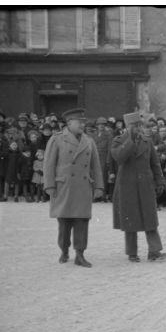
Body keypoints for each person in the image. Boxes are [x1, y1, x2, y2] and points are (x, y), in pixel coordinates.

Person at [43, 108, 104, 267]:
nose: (82, 125)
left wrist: (99, 186)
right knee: (64, 223)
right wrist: (49, 185)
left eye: (84, 122)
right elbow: (49, 164)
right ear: (69, 123)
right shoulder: (57, 139)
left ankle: (80, 254)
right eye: (79, 122)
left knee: (82, 222)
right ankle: (64, 250)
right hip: (64, 187)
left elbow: (96, 166)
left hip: (83, 187)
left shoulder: (88, 141)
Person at [111, 111, 166, 262]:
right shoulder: (118, 141)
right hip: (126, 186)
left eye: (139, 125)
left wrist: (160, 181)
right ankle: (132, 253)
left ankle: (154, 251)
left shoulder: (147, 141)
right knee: (130, 220)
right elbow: (119, 157)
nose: (138, 128)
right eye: (134, 125)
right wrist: (130, 141)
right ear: (127, 126)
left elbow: (155, 164)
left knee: (150, 219)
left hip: (145, 185)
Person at [92, 117, 113, 202]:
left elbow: (110, 149)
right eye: (99, 124)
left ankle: (102, 195)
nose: (101, 126)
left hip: (103, 157)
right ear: (97, 125)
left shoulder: (108, 135)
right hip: (94, 156)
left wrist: (108, 160)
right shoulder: (94, 134)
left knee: (102, 177)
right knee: (94, 175)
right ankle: (95, 195)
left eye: (103, 124)